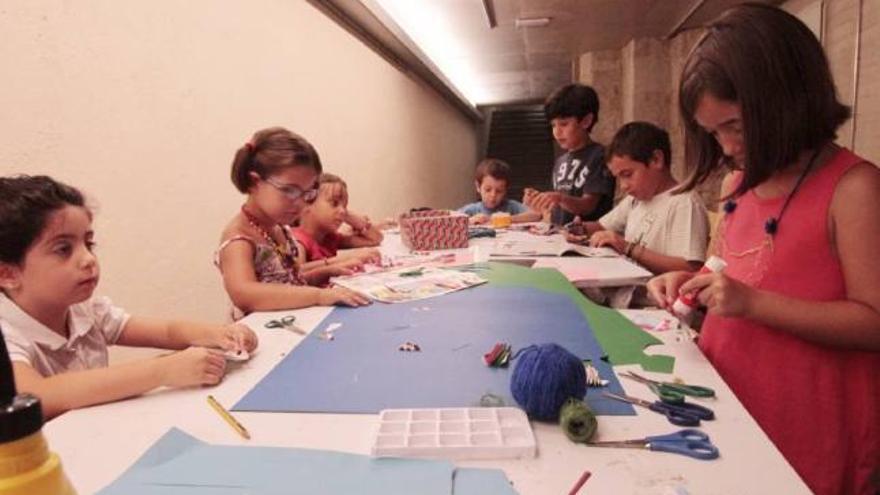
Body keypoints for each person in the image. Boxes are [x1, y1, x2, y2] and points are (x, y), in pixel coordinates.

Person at [646, 5, 880, 494]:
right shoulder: (738, 183)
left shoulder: (854, 188)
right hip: (726, 406)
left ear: (788, 97)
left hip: (805, 431)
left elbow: (874, 320)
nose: (728, 147)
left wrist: (753, 304)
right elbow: (724, 269)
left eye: (734, 125)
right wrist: (687, 287)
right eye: (713, 133)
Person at [0, 175, 258, 419]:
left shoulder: (85, 310)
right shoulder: (7, 332)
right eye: (63, 249)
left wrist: (218, 334)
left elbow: (166, 331)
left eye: (88, 244)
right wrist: (162, 371)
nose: (88, 259)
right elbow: (36, 396)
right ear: (7, 274)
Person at [216, 127, 370, 317]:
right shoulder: (239, 238)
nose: (300, 203)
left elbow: (289, 280)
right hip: (261, 336)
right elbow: (245, 294)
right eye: (289, 191)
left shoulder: (279, 227)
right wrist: (318, 295)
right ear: (254, 182)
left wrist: (326, 271)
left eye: (308, 193)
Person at [565, 121, 709, 275]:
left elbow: (690, 268)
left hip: (655, 296)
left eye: (627, 175)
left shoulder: (684, 203)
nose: (623, 186)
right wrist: (579, 229)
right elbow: (602, 226)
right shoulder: (635, 200)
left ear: (656, 160)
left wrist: (627, 248)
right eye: (618, 178)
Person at [524, 83, 615, 225]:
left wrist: (559, 198)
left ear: (586, 121)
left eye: (564, 124)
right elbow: (556, 209)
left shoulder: (599, 156)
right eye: (553, 125)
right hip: (561, 236)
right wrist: (541, 200)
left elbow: (588, 206)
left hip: (589, 239)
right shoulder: (560, 161)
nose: (557, 132)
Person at [292, 173, 383, 281]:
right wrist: (345, 259)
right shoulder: (297, 240)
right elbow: (297, 272)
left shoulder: (329, 237)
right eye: (334, 203)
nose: (342, 210)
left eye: (345, 206)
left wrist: (347, 215)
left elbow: (375, 239)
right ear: (308, 204)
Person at [457, 158, 540, 225]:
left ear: (505, 191)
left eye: (499, 191)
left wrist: (506, 219)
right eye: (488, 190)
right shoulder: (472, 209)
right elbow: (450, 220)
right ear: (478, 187)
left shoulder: (511, 206)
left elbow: (536, 215)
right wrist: (470, 221)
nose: (493, 195)